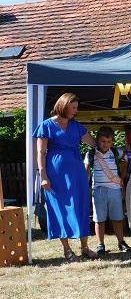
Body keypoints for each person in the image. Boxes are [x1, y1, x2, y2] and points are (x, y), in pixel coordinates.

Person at [33, 92, 98, 261]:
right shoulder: (46, 125)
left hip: (77, 172)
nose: (76, 111)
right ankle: (67, 249)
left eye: (76, 107)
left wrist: (109, 142)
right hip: (55, 174)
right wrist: (43, 176)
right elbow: (41, 153)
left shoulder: (77, 126)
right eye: (73, 107)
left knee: (81, 205)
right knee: (60, 208)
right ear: (64, 106)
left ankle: (85, 247)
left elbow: (94, 144)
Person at [84, 126, 131, 255]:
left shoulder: (116, 152)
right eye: (103, 141)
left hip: (115, 189)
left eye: (109, 141)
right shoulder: (91, 154)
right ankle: (100, 244)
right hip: (98, 190)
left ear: (112, 142)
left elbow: (127, 159)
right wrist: (84, 186)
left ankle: (121, 242)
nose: (106, 144)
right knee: (99, 219)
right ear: (97, 140)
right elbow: (86, 171)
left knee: (117, 218)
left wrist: (122, 177)